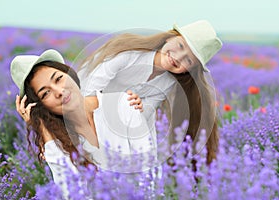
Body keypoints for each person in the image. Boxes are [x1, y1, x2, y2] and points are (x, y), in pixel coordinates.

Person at [10, 49, 157, 197]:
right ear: (41, 107)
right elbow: (72, 195)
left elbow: (150, 169)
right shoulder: (58, 145)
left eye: (58, 79)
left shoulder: (123, 104)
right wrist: (43, 131)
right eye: (45, 93)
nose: (59, 91)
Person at [76, 20, 222, 164]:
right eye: (180, 45)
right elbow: (90, 91)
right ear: (170, 37)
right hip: (83, 99)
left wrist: (140, 106)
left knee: (137, 129)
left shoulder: (169, 81)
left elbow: (147, 111)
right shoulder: (132, 54)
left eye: (188, 60)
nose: (178, 57)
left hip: (118, 117)